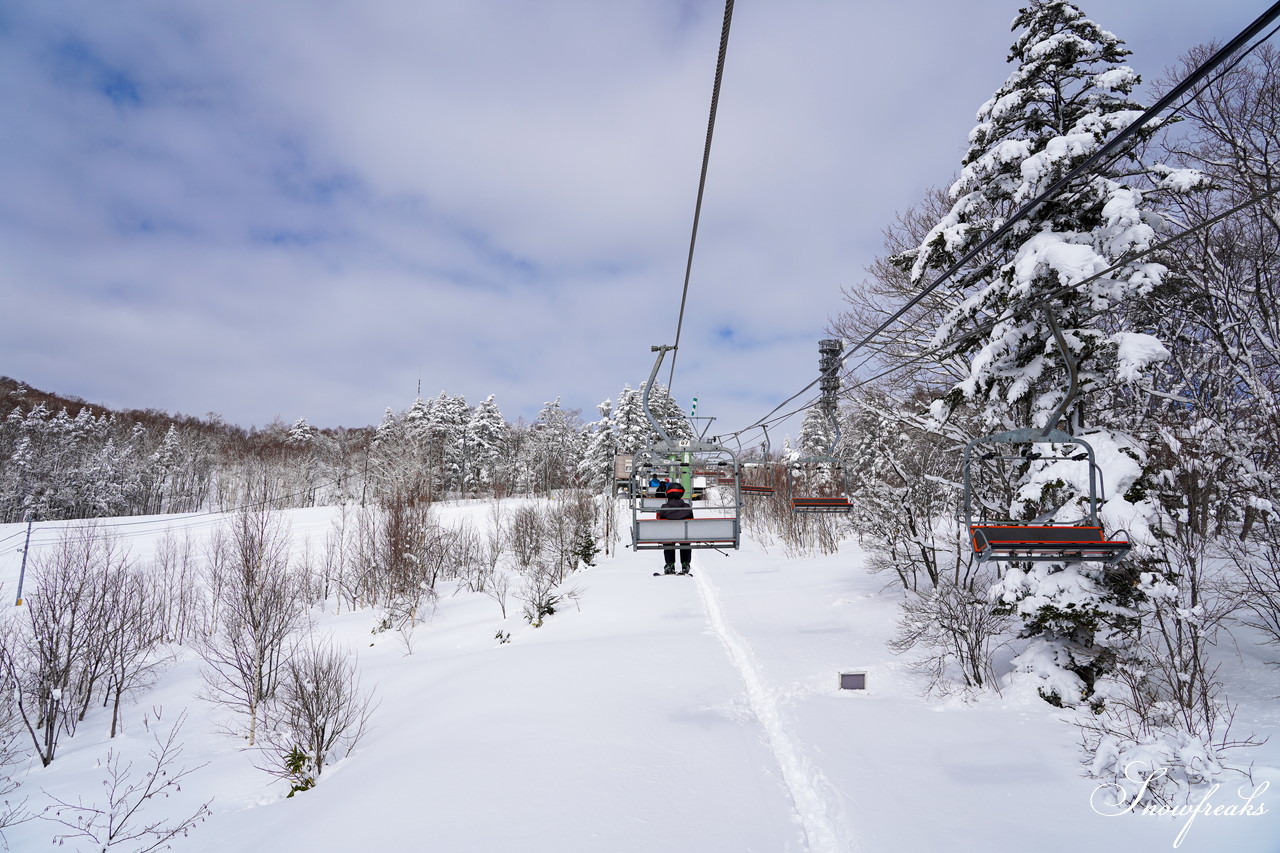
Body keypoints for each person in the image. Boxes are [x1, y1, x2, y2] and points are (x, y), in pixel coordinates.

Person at [656, 483, 693, 574]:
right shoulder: (687, 507)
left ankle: (670, 564)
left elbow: (660, 521)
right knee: (685, 540)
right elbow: (691, 521)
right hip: (684, 535)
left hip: (669, 535)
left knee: (667, 539)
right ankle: (685, 563)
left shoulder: (664, 508)